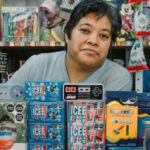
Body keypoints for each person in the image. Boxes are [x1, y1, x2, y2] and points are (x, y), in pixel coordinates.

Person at [7, 0, 132, 91]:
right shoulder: (37, 65)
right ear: (67, 34)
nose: (93, 41)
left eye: (104, 36)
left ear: (111, 43)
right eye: (85, 30)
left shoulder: (118, 77)